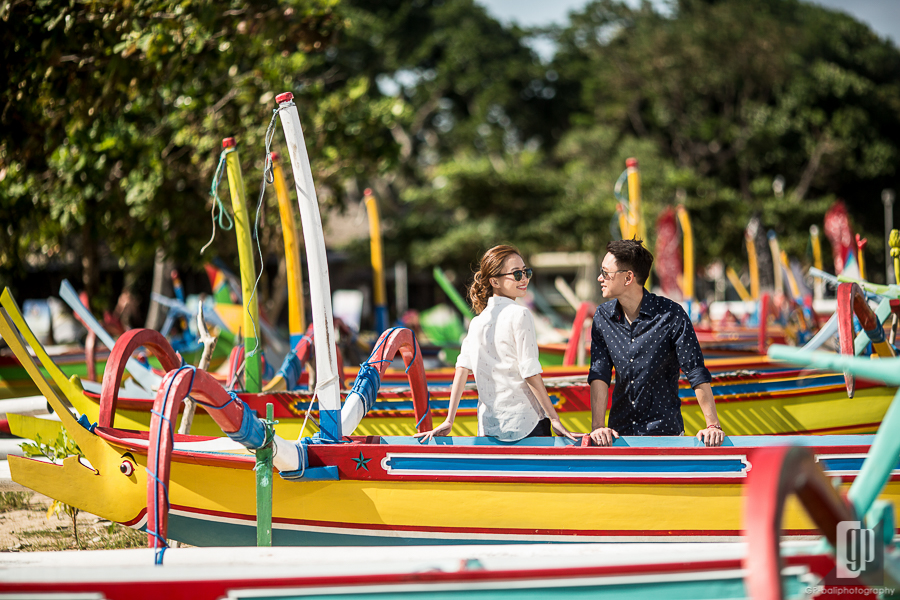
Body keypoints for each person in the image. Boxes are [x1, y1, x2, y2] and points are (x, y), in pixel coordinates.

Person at [416, 245, 578, 443]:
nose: (524, 279)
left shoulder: (477, 322)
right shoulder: (520, 314)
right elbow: (530, 371)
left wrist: (450, 420)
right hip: (526, 423)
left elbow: (461, 369)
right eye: (516, 274)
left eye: (526, 272)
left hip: (489, 427)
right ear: (494, 281)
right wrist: (554, 418)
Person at [588, 239, 724, 447]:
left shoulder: (671, 315)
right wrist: (597, 427)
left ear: (628, 278)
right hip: (619, 437)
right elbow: (600, 373)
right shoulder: (602, 317)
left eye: (606, 273)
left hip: (665, 436)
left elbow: (695, 371)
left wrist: (713, 425)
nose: (600, 278)